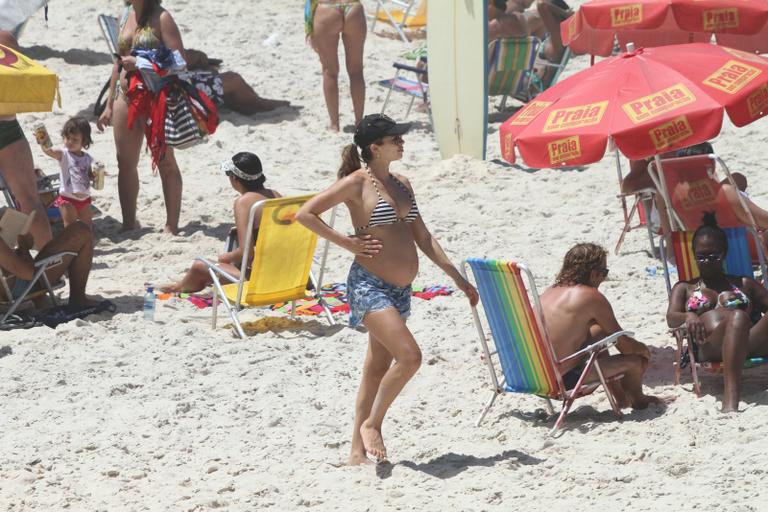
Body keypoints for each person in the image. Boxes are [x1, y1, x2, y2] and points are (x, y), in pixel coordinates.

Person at [296, 114, 479, 464]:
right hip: (368, 284)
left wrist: (457, 278)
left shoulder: (402, 182)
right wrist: (348, 244)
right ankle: (372, 425)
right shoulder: (355, 184)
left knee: (376, 368)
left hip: (400, 290)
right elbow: (306, 214)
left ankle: (354, 453)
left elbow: (423, 237)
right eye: (394, 138)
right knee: (410, 357)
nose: (401, 141)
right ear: (374, 147)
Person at [540, 243, 662, 409]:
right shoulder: (590, 296)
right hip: (563, 381)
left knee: (597, 332)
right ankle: (638, 400)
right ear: (593, 274)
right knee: (636, 362)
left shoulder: (549, 292)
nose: (603, 279)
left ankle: (621, 399)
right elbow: (625, 346)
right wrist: (643, 350)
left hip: (535, 377)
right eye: (604, 273)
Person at [666, 213, 768, 412]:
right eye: (701, 256)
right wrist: (688, 315)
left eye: (713, 256)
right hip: (710, 346)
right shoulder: (685, 288)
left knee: (739, 318)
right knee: (738, 316)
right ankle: (731, 396)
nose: (707, 261)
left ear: (724, 254)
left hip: (750, 342)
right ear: (693, 254)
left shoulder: (744, 283)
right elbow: (671, 318)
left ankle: (732, 394)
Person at [160, 152, 280, 293]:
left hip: (262, 281)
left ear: (235, 179)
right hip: (287, 274)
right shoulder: (275, 195)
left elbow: (245, 253)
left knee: (199, 266)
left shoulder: (244, 202)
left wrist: (225, 257)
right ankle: (183, 283)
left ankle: (179, 287)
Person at [0, 30, 52, 248]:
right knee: (29, 199)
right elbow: (19, 86)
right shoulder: (5, 39)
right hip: (6, 125)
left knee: (29, 199)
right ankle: (50, 267)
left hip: (6, 127)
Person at [0, 221, 95, 306]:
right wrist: (24, 246)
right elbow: (29, 274)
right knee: (80, 231)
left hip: (10, 283)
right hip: (21, 288)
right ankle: (78, 299)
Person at [305, 0, 366, 132]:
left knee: (329, 72)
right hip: (353, 7)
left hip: (327, 8)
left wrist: (308, 27)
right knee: (356, 71)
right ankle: (359, 122)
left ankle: (334, 124)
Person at [488, 0, 571, 84]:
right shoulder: (557, 39)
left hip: (533, 84)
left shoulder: (558, 41)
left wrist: (568, 15)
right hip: (523, 81)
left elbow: (542, 5)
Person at [38, 117, 95, 227]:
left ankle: (86, 244)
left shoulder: (87, 158)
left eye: (75, 139)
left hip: (85, 198)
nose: (70, 142)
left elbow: (88, 175)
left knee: (87, 227)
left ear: (84, 141)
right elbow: (49, 151)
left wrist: (94, 177)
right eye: (67, 138)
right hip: (68, 199)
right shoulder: (63, 154)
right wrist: (43, 142)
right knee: (70, 228)